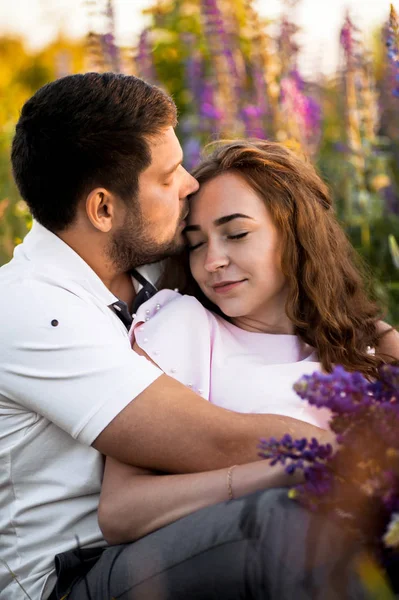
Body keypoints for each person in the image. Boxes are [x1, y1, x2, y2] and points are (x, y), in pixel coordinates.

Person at [0, 72, 349, 600]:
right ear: (103, 209)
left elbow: (294, 291)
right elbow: (212, 440)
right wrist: (354, 450)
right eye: (167, 177)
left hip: (164, 533)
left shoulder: (150, 268)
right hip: (71, 578)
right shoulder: (27, 308)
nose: (189, 184)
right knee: (280, 526)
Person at [97, 139, 399, 549]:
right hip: (255, 559)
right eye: (197, 243)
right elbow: (121, 510)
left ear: (296, 233)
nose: (212, 261)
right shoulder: (184, 328)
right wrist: (283, 470)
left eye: (236, 234)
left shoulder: (369, 339)